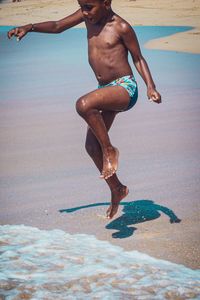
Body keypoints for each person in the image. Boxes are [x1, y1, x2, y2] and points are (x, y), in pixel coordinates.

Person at [7, 0, 161, 219]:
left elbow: (138, 58)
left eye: (89, 6)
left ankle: (109, 150)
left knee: (83, 104)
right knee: (91, 146)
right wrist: (29, 27)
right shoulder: (87, 17)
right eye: (82, 5)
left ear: (106, 2)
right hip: (105, 89)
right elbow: (58, 26)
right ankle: (117, 188)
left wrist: (151, 87)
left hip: (125, 88)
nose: (85, 11)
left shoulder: (121, 27)